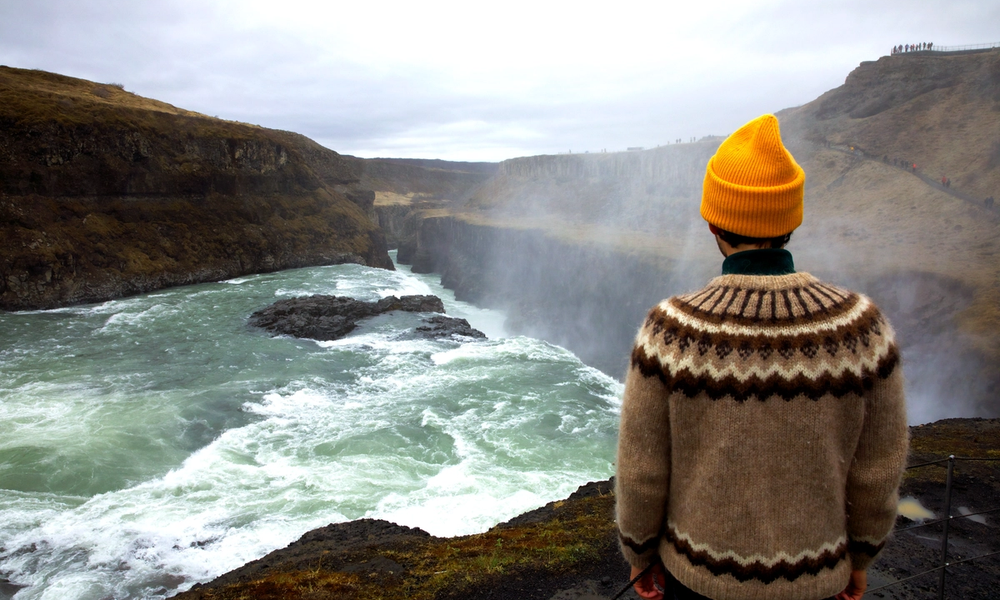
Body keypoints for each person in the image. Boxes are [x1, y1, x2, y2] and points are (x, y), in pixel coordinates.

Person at [615, 114, 909, 600]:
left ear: (713, 220)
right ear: (790, 221)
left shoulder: (670, 331)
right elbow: (877, 470)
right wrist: (861, 558)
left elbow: (642, 470)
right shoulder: (863, 329)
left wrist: (639, 554)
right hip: (818, 580)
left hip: (696, 579)